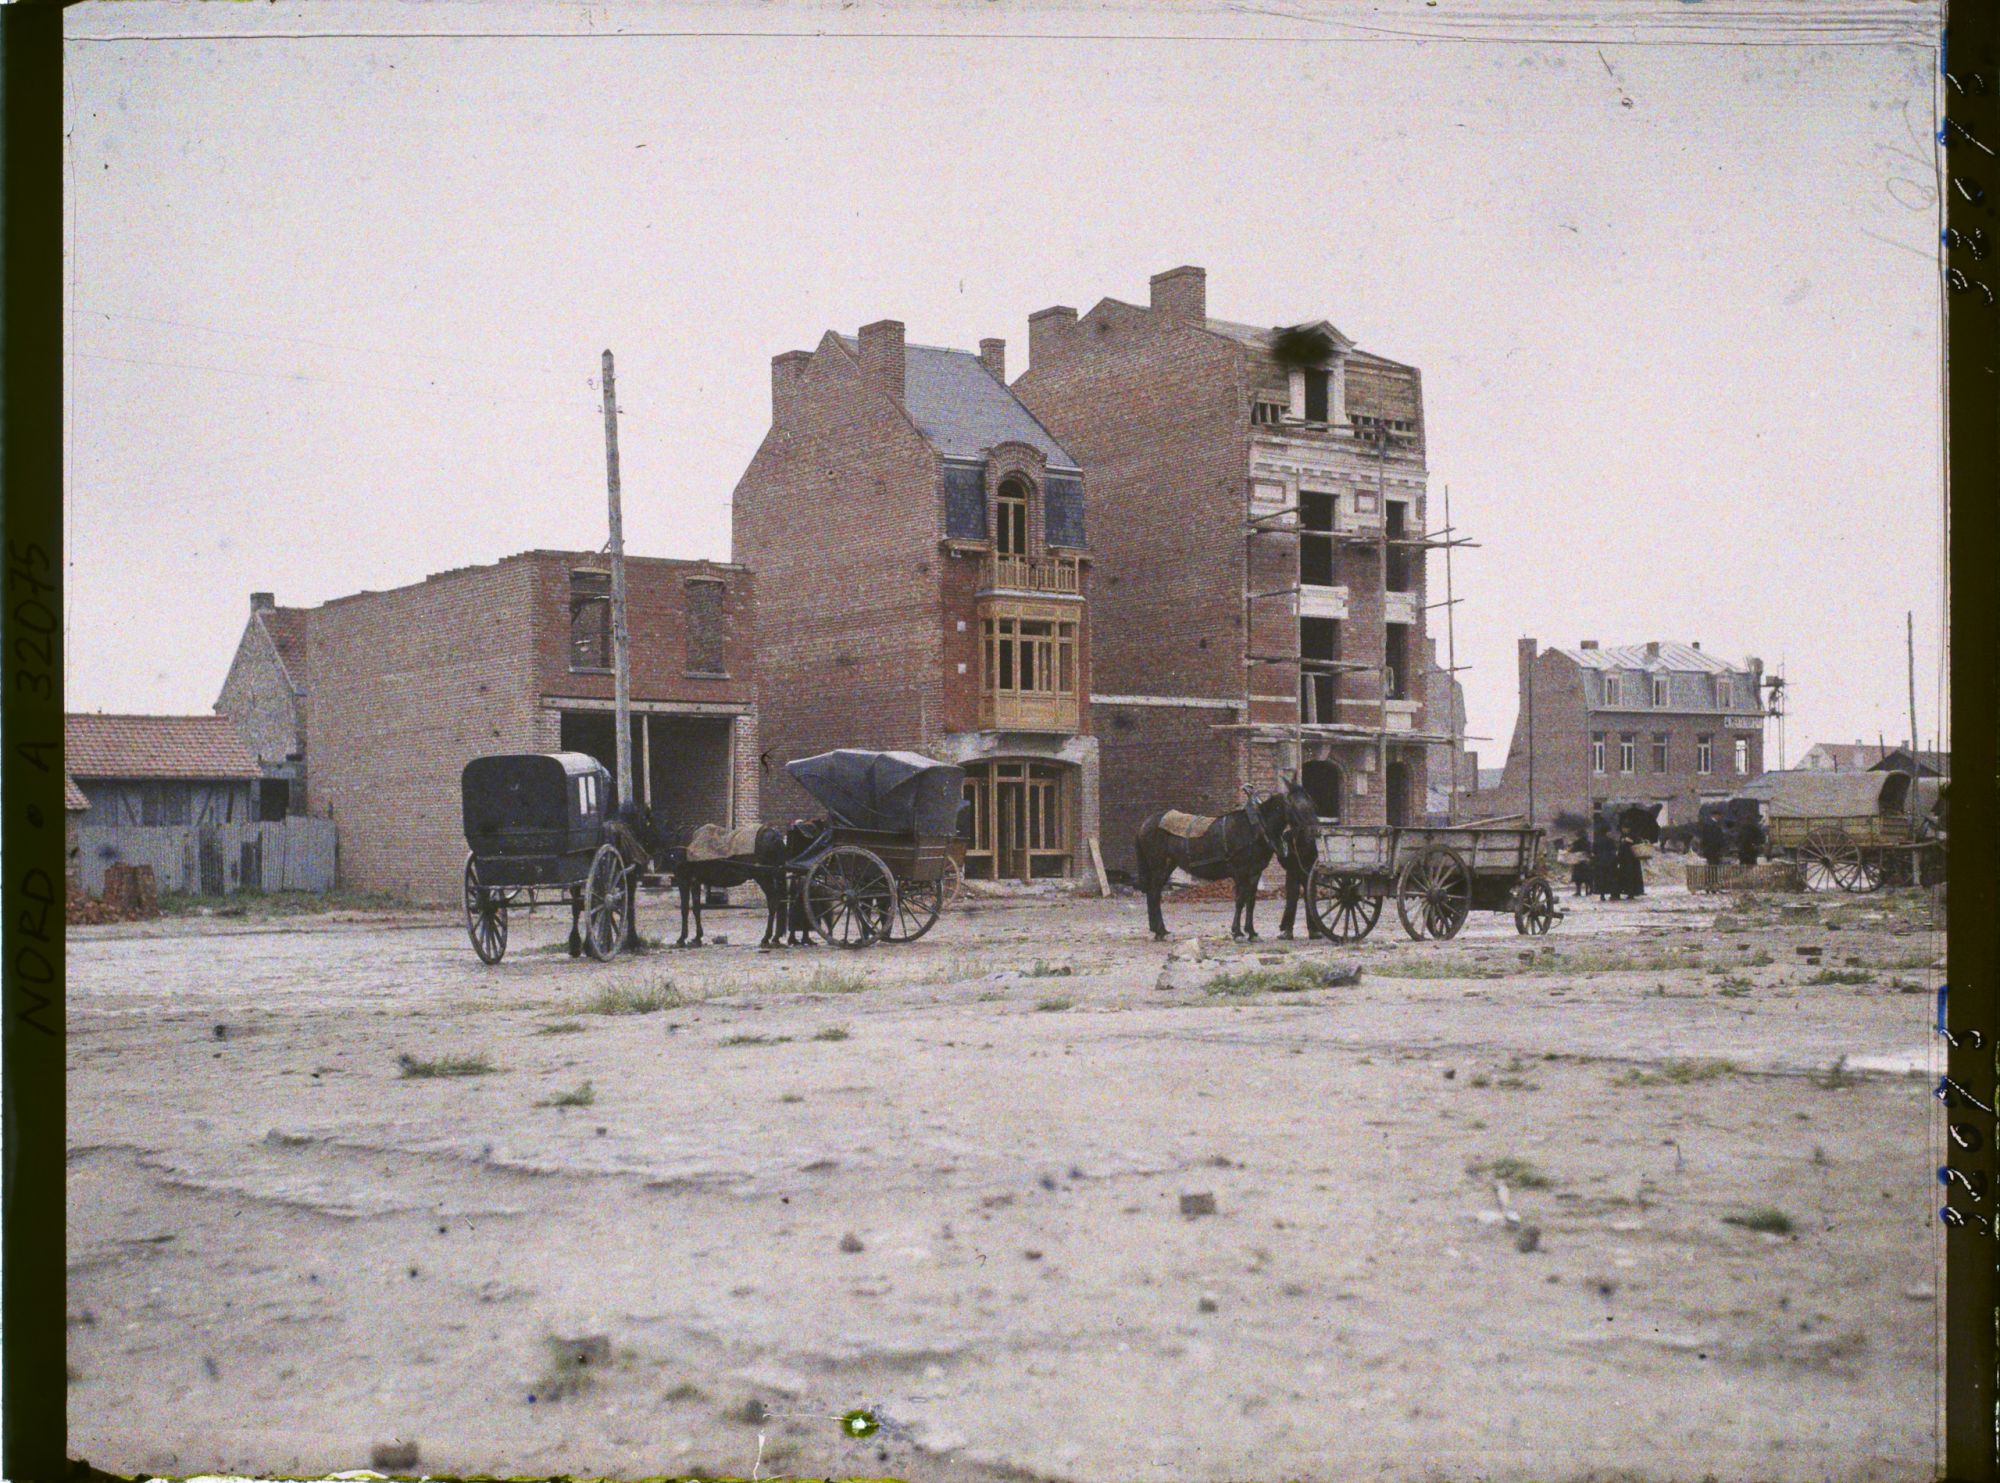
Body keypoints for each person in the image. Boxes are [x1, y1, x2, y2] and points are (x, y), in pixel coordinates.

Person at [1615, 827, 1645, 900]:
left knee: (1631, 876)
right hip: (1624, 860)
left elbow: (1638, 844)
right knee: (1624, 876)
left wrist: (1631, 841)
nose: (1624, 830)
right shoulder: (1622, 836)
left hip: (1632, 861)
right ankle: (1625, 891)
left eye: (1625, 828)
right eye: (1623, 828)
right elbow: (1620, 848)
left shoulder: (1634, 836)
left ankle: (1631, 893)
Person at [1568, 832, 1592, 897]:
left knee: (1578, 879)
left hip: (1578, 861)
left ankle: (1578, 891)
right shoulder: (1588, 843)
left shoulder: (1576, 843)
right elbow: (1590, 851)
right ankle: (1589, 891)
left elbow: (1572, 850)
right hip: (1585, 862)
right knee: (1587, 878)